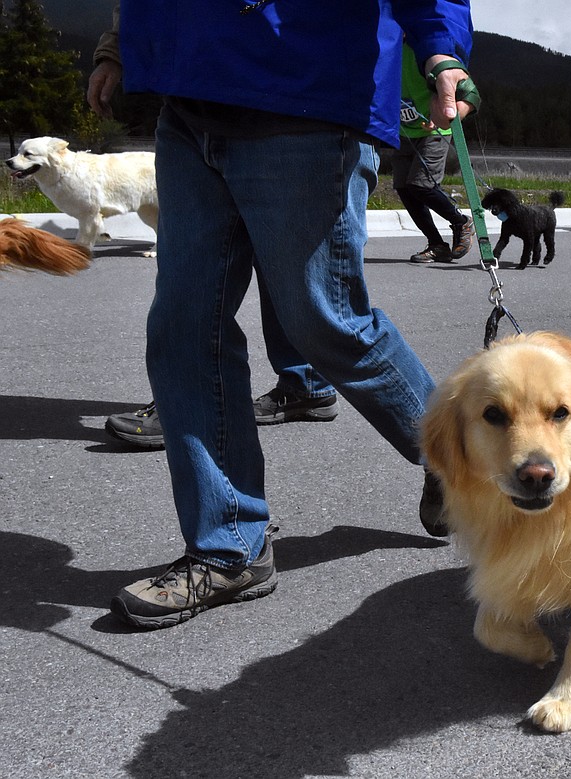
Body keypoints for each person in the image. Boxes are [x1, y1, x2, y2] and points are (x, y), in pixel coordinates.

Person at [107, 0, 476, 629]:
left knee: (322, 319)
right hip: (189, 94)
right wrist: (117, 45)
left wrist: (440, 46)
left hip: (307, 95)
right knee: (182, 327)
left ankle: (458, 458)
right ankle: (229, 547)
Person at [90, 5, 340, 448]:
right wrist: (115, 49)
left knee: (307, 293)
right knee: (192, 287)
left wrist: (435, 57)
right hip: (200, 91)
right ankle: (187, 407)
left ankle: (441, 441)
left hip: (302, 91)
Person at [398, 45, 476, 264]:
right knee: (403, 188)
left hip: (435, 128)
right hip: (402, 129)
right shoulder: (384, 42)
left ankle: (461, 222)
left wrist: (445, 109)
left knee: (420, 185)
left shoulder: (424, 41)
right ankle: (436, 245)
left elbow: (462, 85)